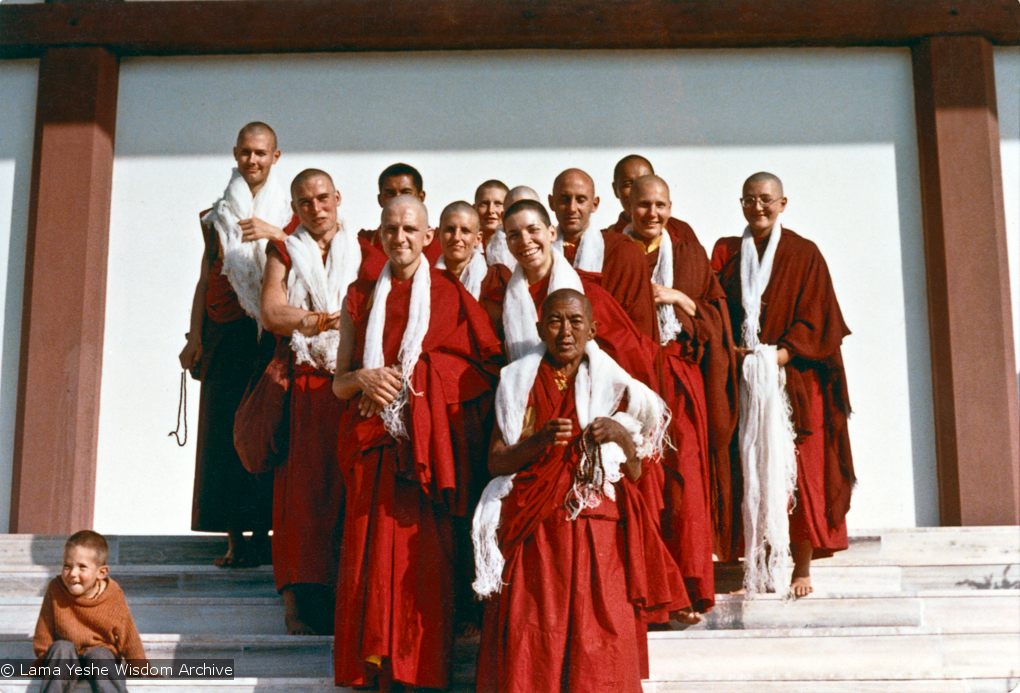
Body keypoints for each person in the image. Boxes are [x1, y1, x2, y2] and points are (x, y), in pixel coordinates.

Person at [472, 289, 688, 693]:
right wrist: (538, 442)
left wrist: (620, 434)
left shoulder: (617, 385)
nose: (565, 332)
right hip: (538, 528)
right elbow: (496, 461)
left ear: (593, 329)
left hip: (597, 528)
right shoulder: (517, 380)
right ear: (540, 329)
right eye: (555, 321)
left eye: (575, 321)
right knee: (536, 630)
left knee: (600, 632)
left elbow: (636, 471)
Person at [332, 195, 503, 691]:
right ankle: (372, 671)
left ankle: (421, 674)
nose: (400, 238)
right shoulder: (359, 296)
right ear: (380, 234)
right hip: (374, 450)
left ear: (429, 238)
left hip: (426, 455)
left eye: (410, 229)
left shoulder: (452, 294)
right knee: (368, 563)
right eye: (391, 228)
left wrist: (417, 382)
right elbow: (339, 383)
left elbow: (482, 371)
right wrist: (364, 378)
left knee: (420, 568)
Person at [711, 172, 855, 598]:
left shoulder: (803, 253)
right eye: (750, 199)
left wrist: (781, 354)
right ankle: (755, 561)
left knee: (797, 473)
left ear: (782, 203)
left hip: (794, 378)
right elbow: (715, 308)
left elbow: (817, 313)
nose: (758, 207)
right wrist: (738, 354)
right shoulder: (728, 253)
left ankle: (801, 567)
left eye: (766, 199)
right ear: (741, 204)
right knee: (748, 467)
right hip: (745, 377)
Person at [624, 175, 738, 615]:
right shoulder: (615, 250)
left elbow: (714, 314)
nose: (652, 213)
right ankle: (652, 595)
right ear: (627, 204)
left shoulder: (687, 249)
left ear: (670, 207)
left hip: (679, 379)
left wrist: (679, 298)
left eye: (660, 205)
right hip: (634, 382)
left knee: (685, 481)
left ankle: (689, 587)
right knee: (645, 483)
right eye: (644, 205)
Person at [179, 121, 291, 568]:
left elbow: (306, 258)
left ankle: (265, 533)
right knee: (223, 432)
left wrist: (275, 233)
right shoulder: (216, 216)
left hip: (269, 334)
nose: (253, 160)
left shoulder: (289, 212)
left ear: (275, 157)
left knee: (265, 429)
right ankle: (234, 538)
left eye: (261, 153)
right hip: (225, 333)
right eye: (246, 152)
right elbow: (206, 277)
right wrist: (194, 336)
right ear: (235, 153)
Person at [261, 168, 363, 634]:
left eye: (323, 198)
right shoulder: (284, 249)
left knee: (348, 488)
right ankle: (297, 604)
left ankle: (347, 597)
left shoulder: (364, 247)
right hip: (307, 384)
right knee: (303, 493)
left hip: (352, 383)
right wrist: (323, 321)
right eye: (305, 202)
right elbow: (272, 311)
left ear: (337, 197)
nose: (316, 209)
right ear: (295, 208)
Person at [548, 168, 658, 339]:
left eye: (581, 200)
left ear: (595, 204)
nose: (572, 208)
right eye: (564, 199)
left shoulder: (622, 252)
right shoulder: (539, 253)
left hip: (610, 350)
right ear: (551, 202)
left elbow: (638, 326)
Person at [33, 530, 146, 693]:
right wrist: (41, 663)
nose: (72, 574)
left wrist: (140, 669)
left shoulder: (112, 595)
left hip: (99, 661)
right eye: (67, 566)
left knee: (100, 655)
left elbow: (128, 636)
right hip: (65, 663)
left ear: (101, 572)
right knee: (61, 648)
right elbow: (44, 631)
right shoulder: (56, 588)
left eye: (82, 567)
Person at [358, 163, 442, 275]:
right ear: (380, 200)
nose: (398, 199)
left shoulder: (441, 244)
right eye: (390, 194)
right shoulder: (365, 244)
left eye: (406, 193)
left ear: (421, 197)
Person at [435, 200, 499, 300]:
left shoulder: (493, 279)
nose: (456, 237)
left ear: (478, 239)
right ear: (438, 235)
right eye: (450, 229)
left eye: (465, 231)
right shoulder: (426, 280)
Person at [603, 154, 655, 234]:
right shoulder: (603, 239)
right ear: (615, 190)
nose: (637, 191)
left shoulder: (675, 230)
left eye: (644, 182)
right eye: (628, 184)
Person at [474, 179, 512, 265]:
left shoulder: (516, 247)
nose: (491, 210)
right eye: (484, 203)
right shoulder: (464, 246)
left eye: (498, 203)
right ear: (474, 208)